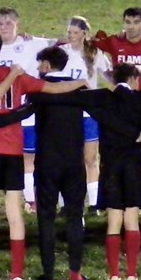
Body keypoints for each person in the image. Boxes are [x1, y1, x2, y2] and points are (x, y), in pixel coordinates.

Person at [0, 30, 85, 280]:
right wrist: (79, 84)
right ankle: (17, 275)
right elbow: (53, 88)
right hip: (13, 150)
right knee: (15, 211)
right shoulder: (20, 78)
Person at [21, 63, 141, 280]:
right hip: (133, 166)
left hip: (109, 166)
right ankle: (131, 275)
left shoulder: (103, 98)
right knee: (130, 220)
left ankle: (112, 275)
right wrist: (138, 140)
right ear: (134, 78)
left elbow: (99, 116)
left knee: (112, 221)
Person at [0, 7, 54, 211]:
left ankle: (28, 199)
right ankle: (16, 204)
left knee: (29, 158)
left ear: (18, 24)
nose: (4, 27)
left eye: (8, 23)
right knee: (16, 161)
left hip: (23, 115)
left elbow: (59, 43)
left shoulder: (31, 44)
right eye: (0, 23)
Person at [61, 16, 113, 211]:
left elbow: (110, 76)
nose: (71, 36)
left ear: (84, 34)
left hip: (88, 114)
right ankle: (69, 202)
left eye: (75, 33)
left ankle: (93, 202)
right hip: (68, 114)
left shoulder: (95, 54)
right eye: (69, 32)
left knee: (90, 159)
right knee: (69, 159)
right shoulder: (61, 53)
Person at [92, 7, 141, 91]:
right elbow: (90, 41)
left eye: (136, 22)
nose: (131, 27)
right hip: (121, 95)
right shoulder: (115, 41)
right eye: (127, 22)